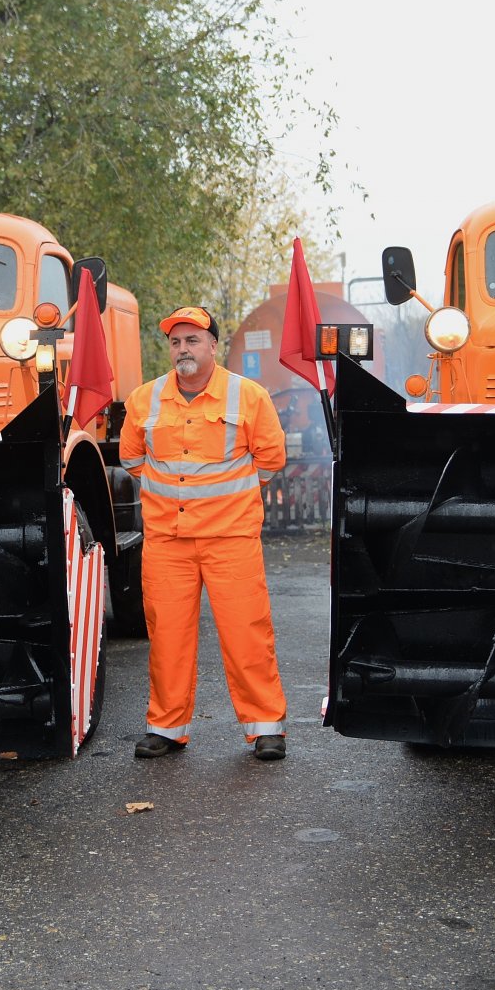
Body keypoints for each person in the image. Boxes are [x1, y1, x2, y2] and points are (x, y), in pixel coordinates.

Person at [120, 305, 289, 761]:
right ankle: (167, 728)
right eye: (176, 342)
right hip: (167, 542)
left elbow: (271, 460)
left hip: (230, 540)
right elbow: (132, 460)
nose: (183, 349)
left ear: (213, 345)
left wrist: (223, 501)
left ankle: (266, 729)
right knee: (167, 637)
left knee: (246, 633)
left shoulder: (248, 396)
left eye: (193, 340)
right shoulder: (144, 399)